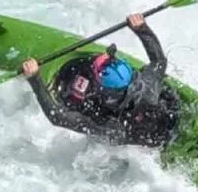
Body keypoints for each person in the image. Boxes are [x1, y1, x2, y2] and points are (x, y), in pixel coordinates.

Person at [20, 13, 182, 149]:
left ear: (106, 93)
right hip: (156, 110)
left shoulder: (107, 125)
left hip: (144, 140)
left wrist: (34, 78)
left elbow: (56, 117)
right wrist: (141, 28)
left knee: (90, 114)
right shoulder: (147, 86)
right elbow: (159, 61)